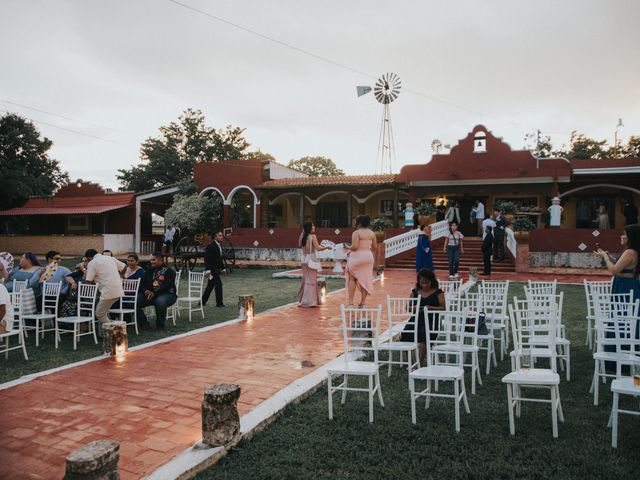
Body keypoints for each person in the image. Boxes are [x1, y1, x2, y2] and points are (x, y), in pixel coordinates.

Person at [400, 268, 446, 366]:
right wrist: (414, 307)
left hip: (431, 321)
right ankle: (411, 360)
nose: (424, 285)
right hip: (416, 319)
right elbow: (408, 307)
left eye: (427, 282)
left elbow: (443, 308)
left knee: (424, 336)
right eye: (422, 282)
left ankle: (419, 362)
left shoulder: (438, 293)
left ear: (432, 281)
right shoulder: (415, 292)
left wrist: (431, 308)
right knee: (404, 334)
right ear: (419, 282)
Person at [85, 249, 126, 334]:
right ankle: (104, 333)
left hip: (108, 292)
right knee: (104, 312)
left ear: (89, 257)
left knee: (99, 313)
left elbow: (88, 281)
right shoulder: (110, 258)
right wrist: (121, 276)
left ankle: (115, 331)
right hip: (118, 289)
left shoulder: (92, 263)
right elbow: (124, 267)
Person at [594, 224, 640, 299]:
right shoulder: (634, 251)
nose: (621, 237)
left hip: (625, 285)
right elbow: (624, 265)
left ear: (631, 236)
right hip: (627, 284)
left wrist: (605, 257)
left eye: (624, 234)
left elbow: (614, 270)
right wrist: (610, 257)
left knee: (623, 309)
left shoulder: (630, 252)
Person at [136, 252, 177, 330]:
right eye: (151, 260)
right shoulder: (149, 270)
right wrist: (145, 291)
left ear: (160, 260)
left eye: (153, 260)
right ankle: (144, 323)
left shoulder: (169, 271)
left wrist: (154, 293)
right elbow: (141, 283)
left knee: (160, 301)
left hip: (167, 294)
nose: (151, 262)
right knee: (134, 301)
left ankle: (160, 326)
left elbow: (167, 286)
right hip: (150, 295)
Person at [344, 215, 377, 307]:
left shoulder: (356, 233)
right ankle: (363, 303)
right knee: (365, 279)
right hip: (368, 257)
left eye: (357, 222)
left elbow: (354, 247)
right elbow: (375, 247)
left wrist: (347, 247)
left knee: (352, 278)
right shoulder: (372, 233)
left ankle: (350, 303)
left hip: (357, 257)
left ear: (360, 223)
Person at [297, 221, 332, 307]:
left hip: (304, 259)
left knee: (306, 280)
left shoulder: (302, 236)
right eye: (312, 226)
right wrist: (327, 247)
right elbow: (318, 248)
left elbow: (299, 245)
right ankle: (311, 301)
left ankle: (305, 300)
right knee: (311, 280)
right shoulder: (313, 236)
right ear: (309, 227)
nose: (314, 226)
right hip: (311, 259)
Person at [202, 231, 227, 308]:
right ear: (215, 237)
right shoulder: (210, 246)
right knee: (218, 284)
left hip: (216, 270)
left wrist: (223, 269)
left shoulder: (219, 246)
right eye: (220, 235)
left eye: (221, 235)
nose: (221, 237)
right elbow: (207, 259)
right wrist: (208, 271)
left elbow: (220, 259)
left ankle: (202, 302)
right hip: (212, 271)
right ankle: (219, 303)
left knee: (210, 286)